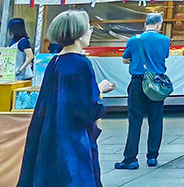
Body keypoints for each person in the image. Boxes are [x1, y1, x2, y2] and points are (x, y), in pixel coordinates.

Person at [18, 10, 116, 187]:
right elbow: (87, 109)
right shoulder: (81, 63)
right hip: (72, 140)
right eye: (89, 28)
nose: (91, 32)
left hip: (50, 137)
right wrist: (99, 89)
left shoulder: (55, 61)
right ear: (78, 35)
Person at [115, 13, 170, 170]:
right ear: (159, 25)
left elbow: (125, 58)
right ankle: (152, 156)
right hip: (157, 83)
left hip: (138, 82)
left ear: (145, 24)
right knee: (156, 120)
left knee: (135, 121)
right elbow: (164, 56)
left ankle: (130, 158)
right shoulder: (165, 40)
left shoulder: (134, 40)